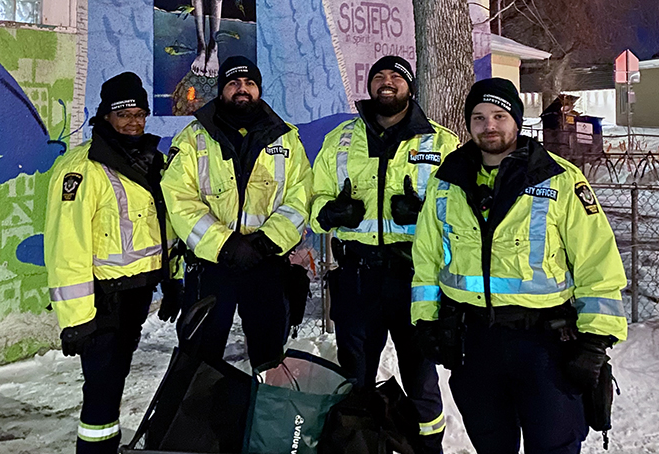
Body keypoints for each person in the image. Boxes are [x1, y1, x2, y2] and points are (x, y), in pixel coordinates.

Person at [411, 78, 628, 454]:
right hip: (473, 343)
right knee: (492, 445)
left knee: (554, 446)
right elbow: (427, 260)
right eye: (478, 117)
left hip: (544, 345)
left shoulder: (559, 180)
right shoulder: (447, 182)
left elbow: (597, 263)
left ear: (516, 119)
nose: (489, 126)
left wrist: (595, 342)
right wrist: (427, 321)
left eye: (499, 115)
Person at [310, 55, 459, 453]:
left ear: (410, 87)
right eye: (379, 77)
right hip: (358, 277)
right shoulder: (341, 139)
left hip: (416, 279)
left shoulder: (441, 142)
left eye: (397, 77)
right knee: (353, 377)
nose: (387, 83)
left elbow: (462, 217)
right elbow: (313, 201)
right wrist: (329, 212)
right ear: (370, 86)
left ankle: (428, 448)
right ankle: (360, 445)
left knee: (421, 376)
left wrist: (424, 214)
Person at [45, 72, 180, 454]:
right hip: (102, 302)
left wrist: (171, 280)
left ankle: (106, 444)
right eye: (124, 114)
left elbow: (166, 226)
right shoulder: (82, 169)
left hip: (137, 293)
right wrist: (75, 319)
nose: (134, 122)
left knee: (116, 378)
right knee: (101, 393)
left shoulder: (152, 160)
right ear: (105, 116)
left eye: (140, 113)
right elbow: (65, 246)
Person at [161, 56, 312, 368]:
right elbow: (179, 199)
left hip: (266, 263)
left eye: (250, 83)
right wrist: (225, 245)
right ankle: (200, 416)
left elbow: (300, 196)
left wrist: (266, 242)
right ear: (221, 91)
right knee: (198, 356)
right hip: (211, 264)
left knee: (269, 355)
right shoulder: (193, 138)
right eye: (233, 83)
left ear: (259, 90)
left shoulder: (287, 138)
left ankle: (263, 415)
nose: (242, 89)